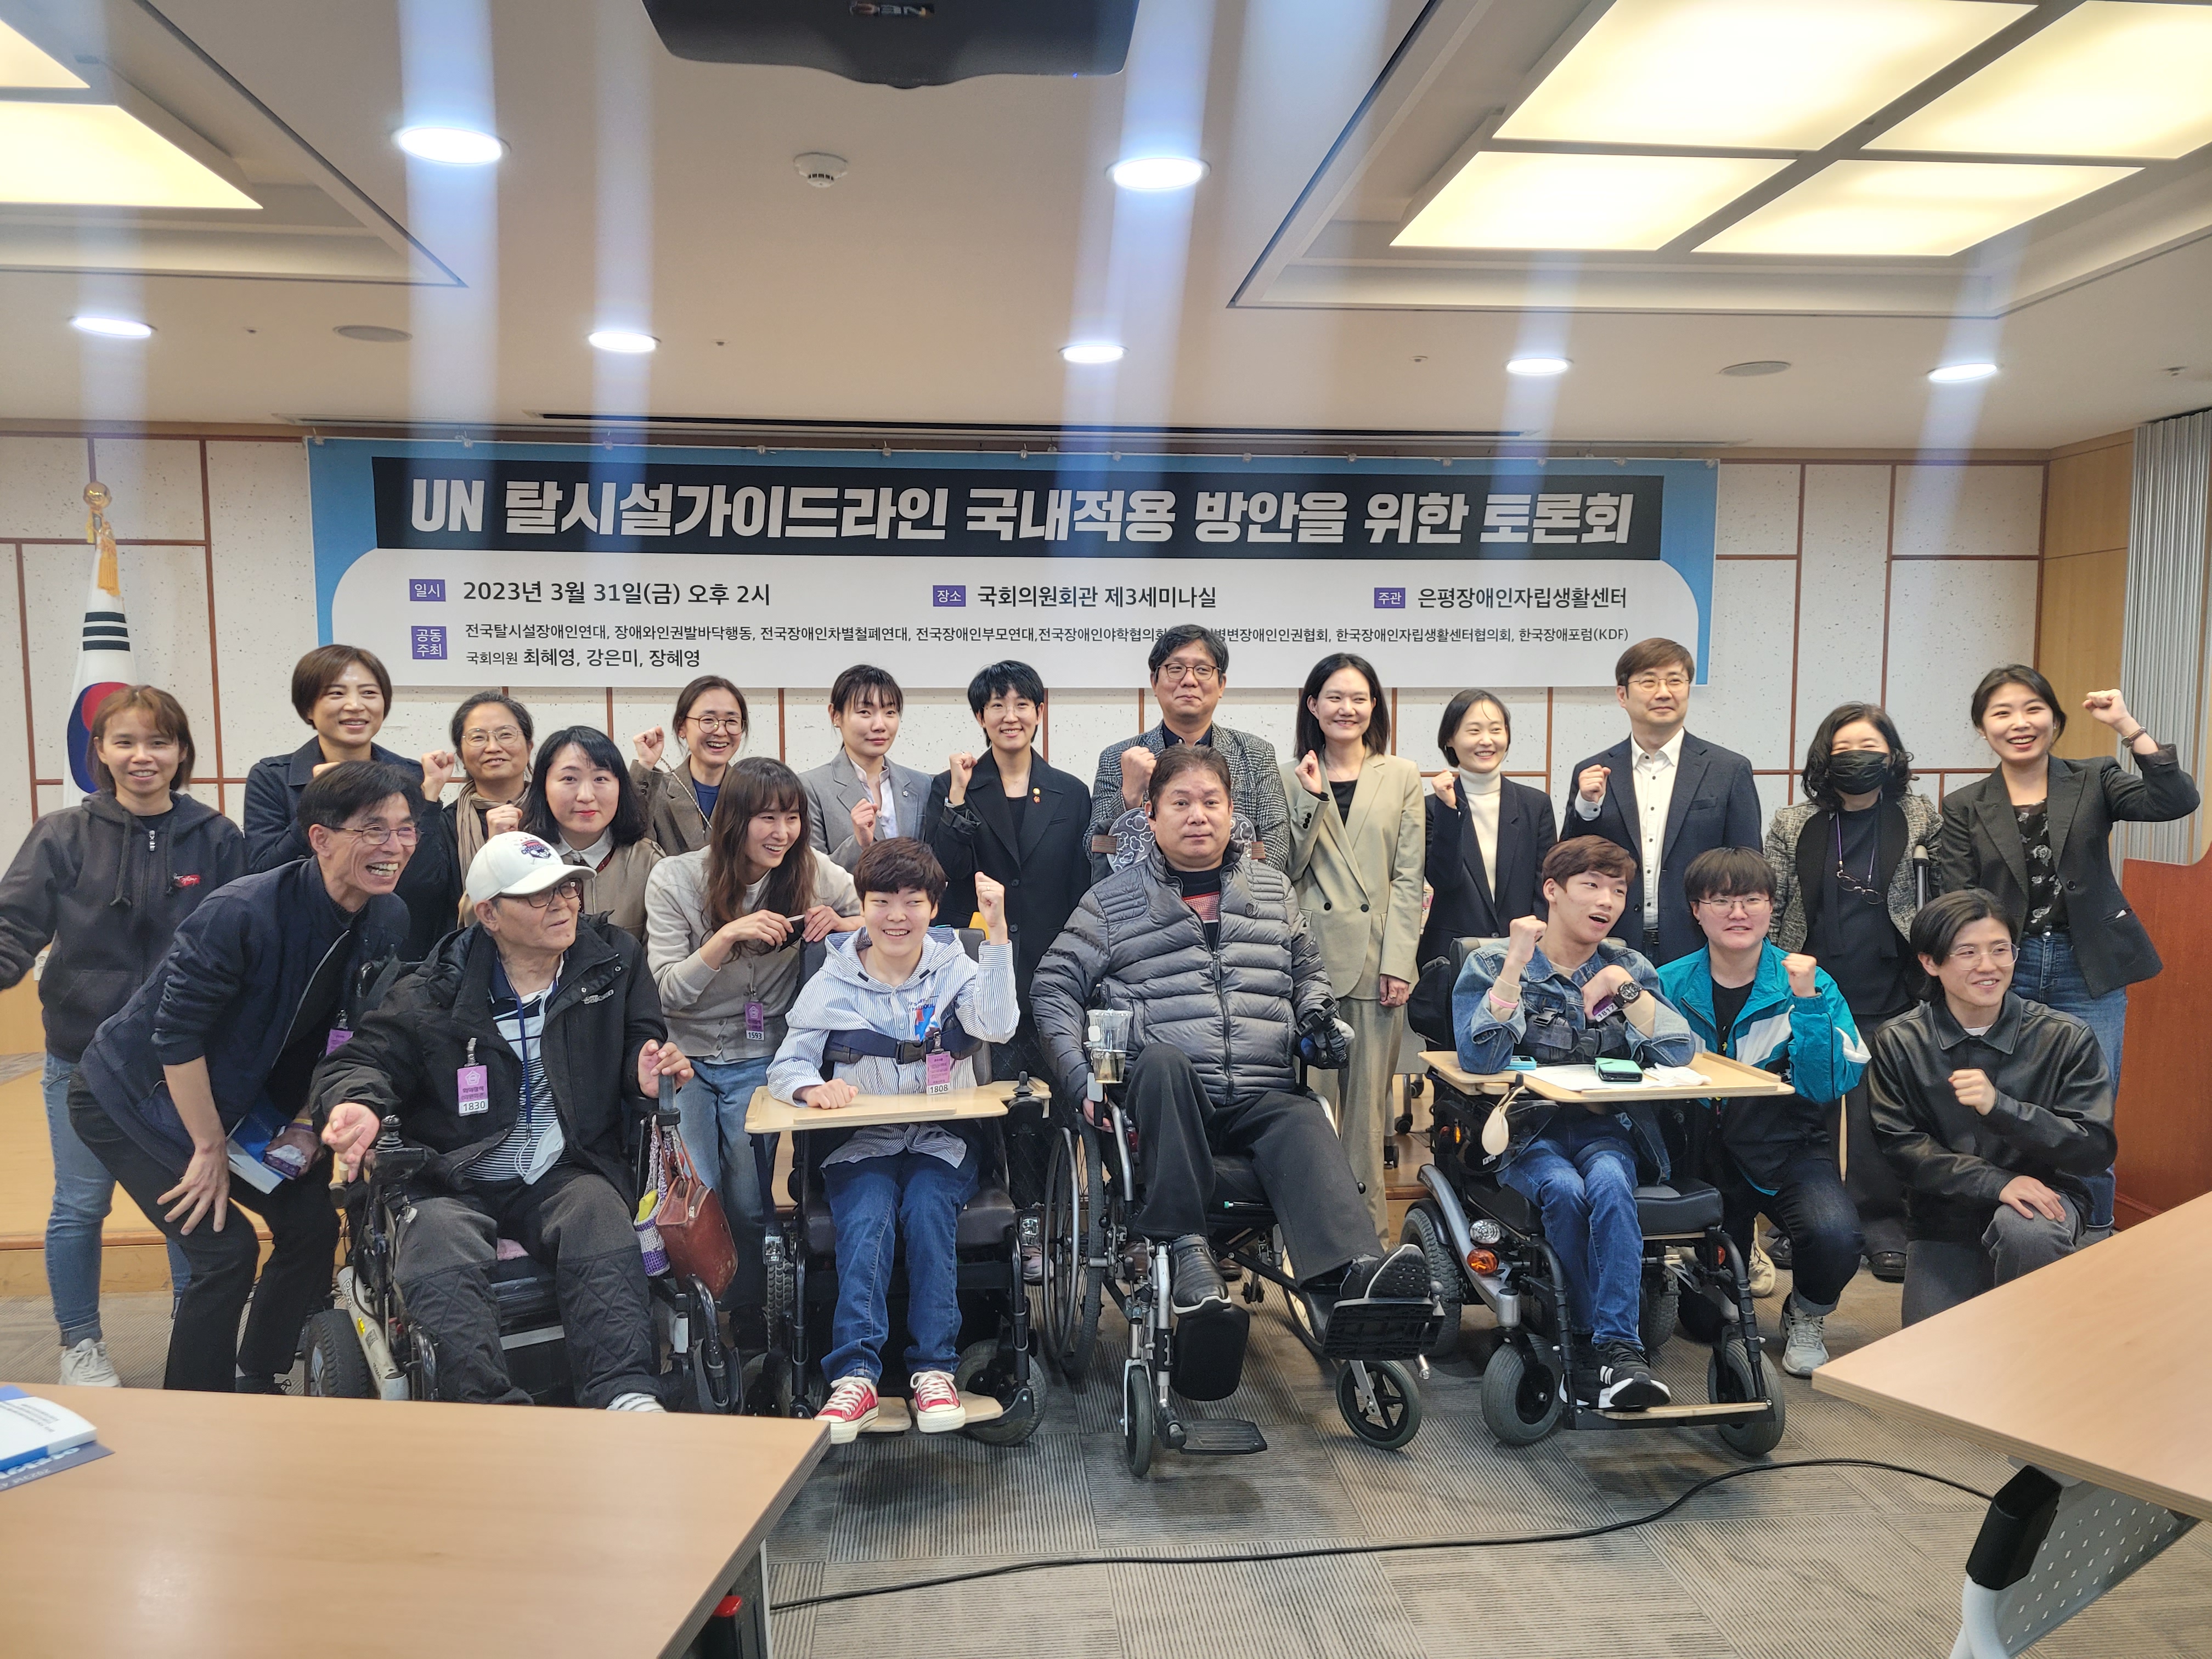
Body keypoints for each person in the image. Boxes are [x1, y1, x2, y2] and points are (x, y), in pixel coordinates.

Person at [1032, 746, 1429, 1374]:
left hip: (1258, 1095)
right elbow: (1053, 986)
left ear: (1232, 812)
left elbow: (1307, 973)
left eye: (1210, 802)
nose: (1198, 815)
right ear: (1151, 817)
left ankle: (1352, 1283)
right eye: (1180, 803)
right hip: (1162, 1105)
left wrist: (1317, 1017)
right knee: (1162, 1063)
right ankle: (1185, 1248)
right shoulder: (1110, 903)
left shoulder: (1273, 892)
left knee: (1303, 1116)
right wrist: (1082, 1078)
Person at [67, 761, 417, 1392]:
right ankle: (195, 1408)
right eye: (374, 830)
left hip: (243, 1101)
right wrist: (205, 1147)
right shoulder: (243, 911)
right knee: (224, 1254)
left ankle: (258, 1377)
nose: (393, 846)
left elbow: (348, 1030)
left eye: (405, 829)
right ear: (320, 838)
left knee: (312, 1227)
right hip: (132, 1098)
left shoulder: (387, 917)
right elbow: (176, 1035)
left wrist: (307, 1121)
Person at [317, 833, 695, 1410]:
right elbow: (360, 1062)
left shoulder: (612, 963)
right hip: (453, 1175)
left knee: (597, 1211)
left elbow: (640, 1042)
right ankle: (489, 1414)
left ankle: (625, 1394)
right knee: (437, 1241)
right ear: (489, 913)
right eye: (540, 896)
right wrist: (357, 1105)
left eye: (568, 889)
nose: (563, 905)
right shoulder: (432, 993)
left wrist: (645, 1071)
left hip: (563, 1165)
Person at [0, 687, 236, 1384]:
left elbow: (245, 935)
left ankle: (193, 1333)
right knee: (79, 1206)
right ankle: (80, 1343)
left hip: (180, 1064)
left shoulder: (218, 838)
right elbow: (13, 925)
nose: (143, 756)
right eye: (126, 742)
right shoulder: (61, 834)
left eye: (159, 742)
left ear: (182, 752)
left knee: (188, 1202)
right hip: (79, 1060)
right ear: (100, 751)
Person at [768, 843, 1017, 1441]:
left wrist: (997, 934)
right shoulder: (832, 979)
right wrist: (811, 1089)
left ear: (933, 907)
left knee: (928, 1205)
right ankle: (854, 1378)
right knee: (869, 1210)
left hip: (943, 1138)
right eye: (882, 902)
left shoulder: (956, 966)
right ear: (863, 905)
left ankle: (935, 1370)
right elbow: (786, 1064)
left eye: (913, 902)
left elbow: (998, 1025)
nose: (897, 916)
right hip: (861, 1142)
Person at [1936, 667, 2198, 1234]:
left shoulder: (2095, 777)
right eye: (2002, 713)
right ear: (1982, 728)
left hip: (2088, 967)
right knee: (2001, 1099)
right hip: (2005, 968)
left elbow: (2175, 799)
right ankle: (2006, 1235)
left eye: (2033, 709)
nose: (2020, 723)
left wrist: (2126, 725)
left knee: (2089, 1110)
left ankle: (2095, 1237)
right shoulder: (1964, 805)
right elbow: (1957, 896)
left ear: (2055, 720)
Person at [1452, 836, 1698, 1409]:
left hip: (1608, 1128)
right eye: (1591, 886)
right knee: (1563, 1190)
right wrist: (1515, 965)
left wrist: (1623, 990)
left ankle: (1618, 1352)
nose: (1606, 901)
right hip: (1526, 1134)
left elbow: (1678, 1051)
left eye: (1618, 891)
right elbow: (1480, 1059)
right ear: (1553, 891)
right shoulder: (1490, 962)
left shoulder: (1629, 966)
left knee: (1610, 1184)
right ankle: (1592, 1345)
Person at [643, 757, 862, 1346]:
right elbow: (667, 990)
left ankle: (748, 1317)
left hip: (762, 1054)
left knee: (747, 1198)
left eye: (792, 818)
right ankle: (699, 1319)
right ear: (733, 819)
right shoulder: (676, 879)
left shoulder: (813, 871)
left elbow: (879, 920)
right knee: (698, 1197)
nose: (782, 832)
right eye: (767, 818)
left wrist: (841, 924)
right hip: (685, 1059)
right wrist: (725, 937)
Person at [1659, 849, 1868, 1377]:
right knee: (1707, 1325)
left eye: (1752, 899)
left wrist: (1809, 1003)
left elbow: (1827, 1086)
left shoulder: (1812, 983)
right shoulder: (1668, 982)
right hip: (1700, 1153)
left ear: (1772, 907)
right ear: (1696, 910)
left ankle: (1806, 1313)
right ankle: (1729, 1259)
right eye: (1721, 901)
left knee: (1836, 1237)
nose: (1738, 913)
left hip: (1787, 1146)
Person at [1867, 889, 2115, 1324]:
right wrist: (1997, 1182)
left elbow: (2094, 1150)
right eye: (1968, 953)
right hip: (1943, 1218)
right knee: (1932, 1361)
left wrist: (2002, 1109)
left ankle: (2033, 1346)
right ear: (1930, 962)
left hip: (2043, 1206)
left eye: (2001, 950)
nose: (1989, 966)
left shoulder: (2065, 1037)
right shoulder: (1900, 1041)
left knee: (2027, 1229)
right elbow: (1901, 1149)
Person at [918, 659, 1092, 1252]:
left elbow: (1080, 890)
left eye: (1022, 704)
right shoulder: (952, 787)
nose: (1010, 715)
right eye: (997, 705)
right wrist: (958, 799)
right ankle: (994, 1227)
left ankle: (1049, 1224)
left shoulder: (1070, 791)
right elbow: (939, 880)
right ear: (980, 717)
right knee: (988, 1100)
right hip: (980, 971)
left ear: (1039, 712)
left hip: (1053, 971)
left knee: (1052, 1103)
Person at [1765, 702, 1939, 1284]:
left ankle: (1883, 1224)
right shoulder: (1794, 823)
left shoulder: (1919, 816)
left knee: (1877, 1116)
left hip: (1890, 985)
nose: (1857, 758)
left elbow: (1939, 895)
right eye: (1843, 749)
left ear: (1892, 755)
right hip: (1812, 987)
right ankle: (1799, 1222)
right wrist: (1773, 977)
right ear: (1824, 758)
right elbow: (1776, 903)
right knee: (1804, 1110)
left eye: (1870, 746)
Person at [1282, 652, 1425, 1247]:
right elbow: (1285, 868)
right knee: (1309, 1114)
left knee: (1368, 1119)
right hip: (1307, 964)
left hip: (1375, 963)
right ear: (1312, 705)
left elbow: (1408, 878)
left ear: (1374, 707)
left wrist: (1399, 963)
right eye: (1334, 697)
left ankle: (1371, 1243)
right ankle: (1307, 1244)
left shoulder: (1403, 774)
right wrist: (1312, 798)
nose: (1347, 708)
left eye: (1359, 698)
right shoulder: (1289, 776)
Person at [242, 645, 458, 961]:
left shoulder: (411, 776)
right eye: (336, 693)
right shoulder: (273, 777)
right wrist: (320, 800)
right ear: (308, 707)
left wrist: (429, 796)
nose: (356, 706)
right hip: (301, 948)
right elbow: (263, 873)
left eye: (369, 693)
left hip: (393, 950)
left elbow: (423, 885)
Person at [1562, 637, 1760, 966]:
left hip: (1700, 944)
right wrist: (1586, 806)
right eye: (1649, 682)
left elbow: (1748, 866)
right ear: (1622, 695)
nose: (1664, 692)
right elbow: (1569, 864)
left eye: (1675, 681)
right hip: (1610, 941)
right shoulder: (1593, 771)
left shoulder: (1728, 770)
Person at [1085, 624, 1292, 880]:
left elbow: (1275, 847)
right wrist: (1129, 797)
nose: (1189, 681)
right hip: (1142, 902)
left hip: (1237, 899)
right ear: (1154, 682)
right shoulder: (1119, 758)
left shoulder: (1256, 755)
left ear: (1221, 685)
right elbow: (1094, 851)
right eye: (1176, 669)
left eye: (1203, 670)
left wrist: (1225, 891)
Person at [1419, 687, 1558, 966]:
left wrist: (1536, 944)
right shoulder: (1432, 807)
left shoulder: (1535, 805)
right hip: (1452, 957)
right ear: (1450, 739)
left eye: (1496, 730)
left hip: (1523, 954)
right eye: (1474, 731)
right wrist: (1449, 811)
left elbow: (1545, 886)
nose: (1487, 740)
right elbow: (1445, 881)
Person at [518, 726, 665, 941]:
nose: (586, 796)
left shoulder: (647, 862)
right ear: (543, 788)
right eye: (569, 779)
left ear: (620, 787)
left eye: (600, 779)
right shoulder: (520, 858)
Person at [801, 664, 931, 873]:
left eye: (890, 712)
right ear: (835, 715)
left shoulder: (922, 784)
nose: (880, 725)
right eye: (865, 712)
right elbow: (811, 874)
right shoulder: (810, 787)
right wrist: (858, 843)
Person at [425, 691, 534, 889]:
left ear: (529, 748)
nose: (493, 747)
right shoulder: (445, 825)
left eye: (505, 735)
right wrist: (430, 791)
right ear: (461, 756)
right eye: (478, 737)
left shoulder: (553, 812)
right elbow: (419, 894)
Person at [631, 675, 749, 855]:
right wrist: (645, 766)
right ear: (681, 727)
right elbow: (629, 841)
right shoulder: (657, 792)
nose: (721, 731)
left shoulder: (753, 794)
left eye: (732, 721)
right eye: (708, 720)